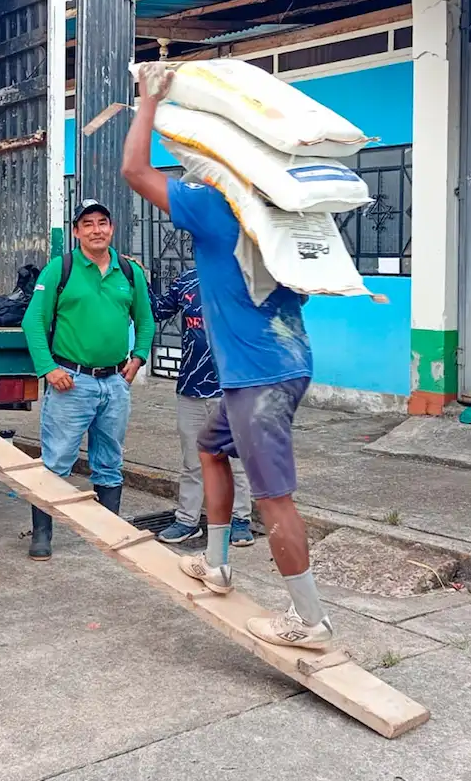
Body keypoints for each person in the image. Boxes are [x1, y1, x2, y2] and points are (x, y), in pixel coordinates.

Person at [120, 66, 335, 650]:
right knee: (211, 449)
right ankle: (216, 564)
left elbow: (135, 171)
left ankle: (309, 621)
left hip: (258, 377)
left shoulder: (215, 206)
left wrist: (148, 103)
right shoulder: (284, 211)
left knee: (273, 498)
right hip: (284, 362)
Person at [20, 199, 155, 560]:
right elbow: (33, 321)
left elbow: (146, 319)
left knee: (109, 460)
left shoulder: (129, 272)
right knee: (57, 461)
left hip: (114, 383)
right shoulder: (59, 269)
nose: (97, 230)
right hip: (71, 382)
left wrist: (139, 356)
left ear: (111, 228)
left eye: (103, 223)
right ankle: (42, 534)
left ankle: (109, 532)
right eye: (88, 224)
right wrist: (48, 368)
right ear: (77, 231)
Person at [149, 269, 254, 547]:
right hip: (191, 388)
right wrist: (137, 275)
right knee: (192, 462)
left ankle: (241, 519)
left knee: (237, 461)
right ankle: (187, 520)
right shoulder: (187, 280)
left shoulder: (249, 279)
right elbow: (157, 311)